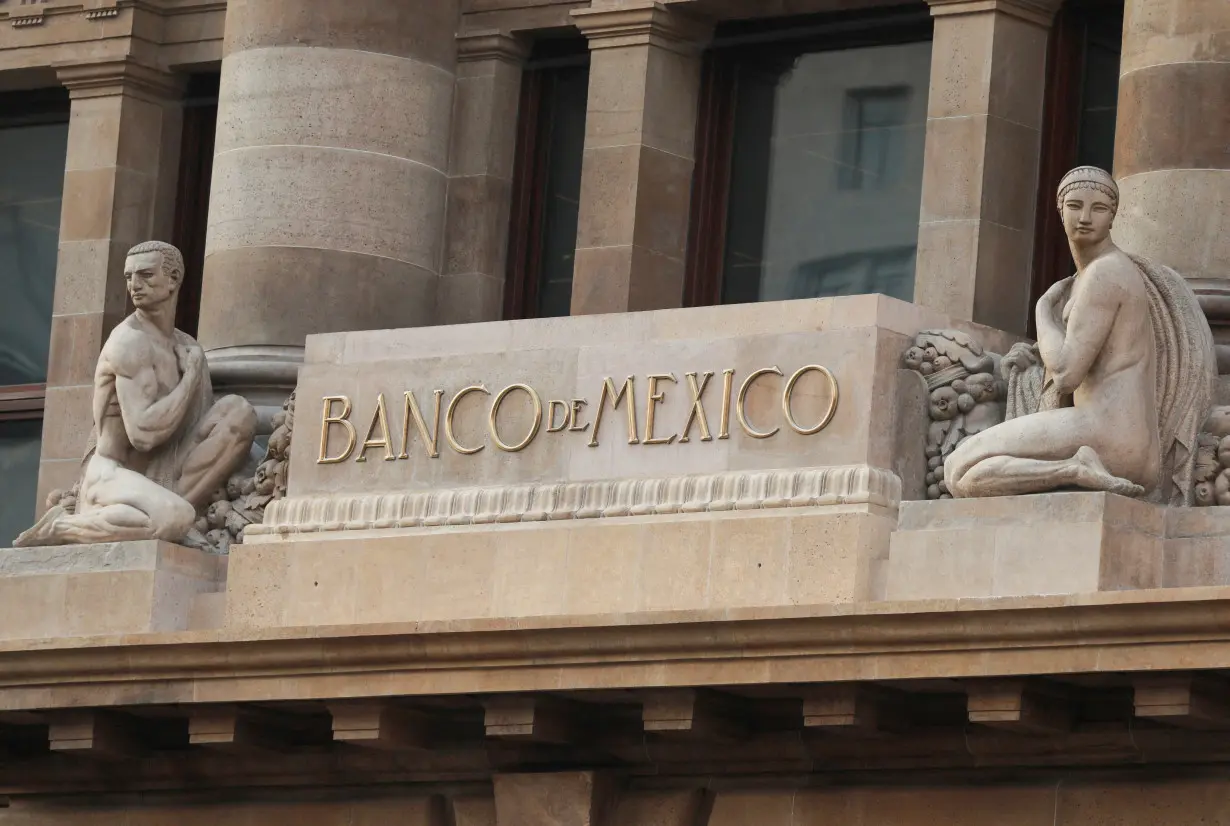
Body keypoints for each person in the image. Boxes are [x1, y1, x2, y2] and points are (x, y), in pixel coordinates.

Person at [944, 167, 1215, 505]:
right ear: (1060, 213)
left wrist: (1043, 310)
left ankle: (1077, 468)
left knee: (957, 467)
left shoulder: (1105, 273)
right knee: (966, 475)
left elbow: (1067, 373)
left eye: (1098, 208)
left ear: (1113, 216)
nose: (1085, 217)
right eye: (1074, 206)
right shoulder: (1095, 274)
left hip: (1110, 437)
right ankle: (1072, 471)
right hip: (1120, 440)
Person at [15, 242, 257, 547]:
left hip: (162, 474)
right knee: (176, 516)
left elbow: (199, 423)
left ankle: (167, 514)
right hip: (112, 477)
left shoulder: (187, 346)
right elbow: (142, 434)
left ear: (173, 279)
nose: (134, 285)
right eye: (129, 277)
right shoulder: (128, 342)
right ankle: (62, 527)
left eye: (145, 275)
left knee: (239, 413)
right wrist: (191, 377)